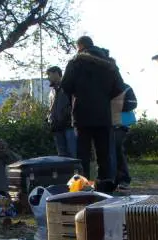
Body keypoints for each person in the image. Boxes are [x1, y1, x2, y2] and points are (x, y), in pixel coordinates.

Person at [61, 36, 124, 190]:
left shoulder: (75, 62)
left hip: (81, 114)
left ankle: (82, 186)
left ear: (80, 46)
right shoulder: (109, 64)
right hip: (103, 114)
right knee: (104, 154)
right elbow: (120, 87)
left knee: (82, 154)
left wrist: (78, 94)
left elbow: (65, 85)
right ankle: (105, 185)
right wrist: (104, 96)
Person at [45, 66, 75, 157]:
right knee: (62, 155)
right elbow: (51, 108)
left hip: (69, 126)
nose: (48, 77)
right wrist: (48, 119)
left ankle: (77, 171)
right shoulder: (51, 92)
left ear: (56, 74)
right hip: (57, 127)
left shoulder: (68, 88)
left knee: (72, 153)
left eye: (49, 74)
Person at [111, 82, 136, 187]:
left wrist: (116, 105)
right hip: (108, 124)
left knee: (117, 149)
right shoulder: (103, 86)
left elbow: (133, 103)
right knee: (109, 151)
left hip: (122, 124)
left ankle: (124, 179)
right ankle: (113, 179)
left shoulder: (126, 87)